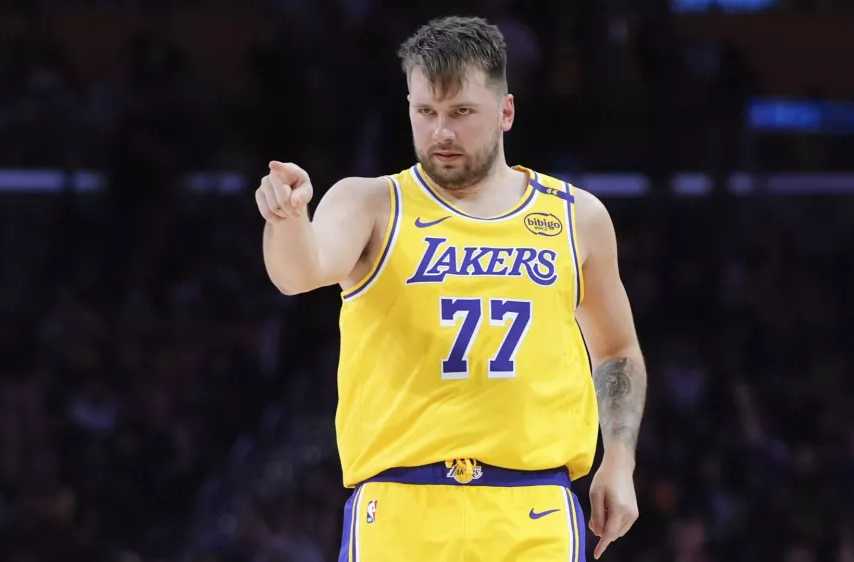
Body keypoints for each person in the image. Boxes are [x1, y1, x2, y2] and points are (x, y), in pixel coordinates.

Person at [256, 16, 646, 562]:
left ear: (506, 111)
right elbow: (297, 274)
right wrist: (287, 217)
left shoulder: (576, 216)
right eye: (425, 112)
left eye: (461, 112)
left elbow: (616, 349)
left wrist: (619, 461)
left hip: (533, 508)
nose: (441, 132)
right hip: (400, 508)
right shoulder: (370, 203)